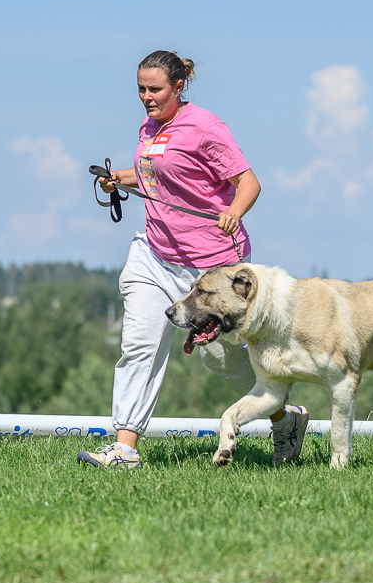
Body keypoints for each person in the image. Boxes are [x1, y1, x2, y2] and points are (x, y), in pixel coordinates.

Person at [78, 50, 308, 469]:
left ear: (179, 87)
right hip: (154, 254)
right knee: (139, 344)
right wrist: (119, 180)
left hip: (209, 267)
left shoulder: (204, 126)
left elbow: (248, 183)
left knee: (223, 359)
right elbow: (155, 173)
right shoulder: (149, 126)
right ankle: (124, 447)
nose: (146, 97)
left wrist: (234, 211)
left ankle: (284, 419)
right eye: (141, 90)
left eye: (155, 90)